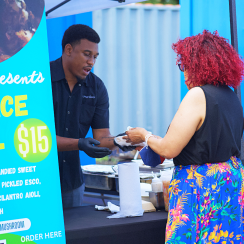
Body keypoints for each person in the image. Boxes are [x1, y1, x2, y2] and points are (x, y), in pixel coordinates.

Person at [125, 30, 244, 243]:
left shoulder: (198, 94)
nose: (184, 72)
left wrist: (145, 135)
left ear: (197, 64)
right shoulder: (231, 95)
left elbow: (170, 149)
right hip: (228, 183)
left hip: (200, 186)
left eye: (184, 65)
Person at [50, 24, 134, 208]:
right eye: (87, 54)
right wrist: (79, 144)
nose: (92, 62)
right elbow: (36, 138)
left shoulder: (97, 87)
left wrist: (123, 141)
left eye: (95, 56)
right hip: (37, 183)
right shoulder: (40, 80)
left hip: (72, 185)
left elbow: (101, 137)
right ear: (68, 49)